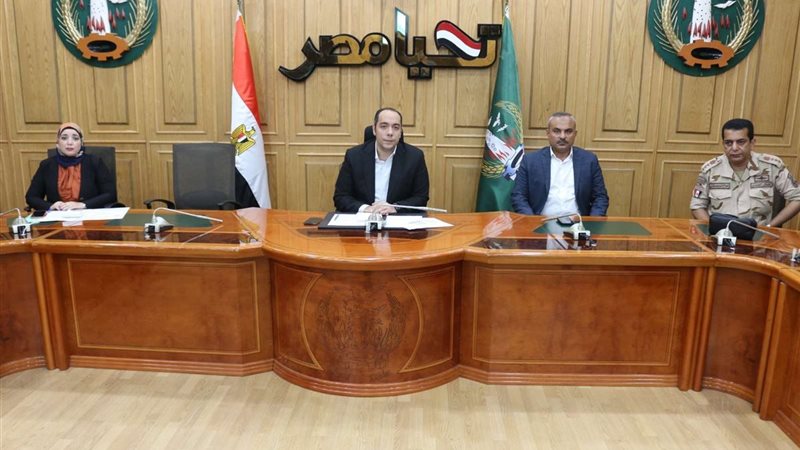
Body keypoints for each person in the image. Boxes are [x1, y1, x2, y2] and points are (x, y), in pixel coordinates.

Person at [690, 118, 800, 227]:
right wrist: (712, 229)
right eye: (728, 143)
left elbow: (797, 197)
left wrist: (770, 227)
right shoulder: (710, 169)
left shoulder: (772, 167)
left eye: (741, 142)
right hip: (720, 235)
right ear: (723, 144)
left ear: (752, 143)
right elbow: (697, 206)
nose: (734, 148)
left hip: (758, 235)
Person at [511, 112, 609, 216]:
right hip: (541, 222)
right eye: (557, 131)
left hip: (579, 223)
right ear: (548, 133)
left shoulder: (589, 160)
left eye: (568, 131)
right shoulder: (530, 161)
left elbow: (600, 197)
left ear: (575, 134)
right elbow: (518, 196)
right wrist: (532, 221)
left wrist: (592, 222)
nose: (562, 136)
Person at [333, 108, 429, 214]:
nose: (390, 132)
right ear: (374, 129)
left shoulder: (415, 157)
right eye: (383, 126)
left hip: (397, 218)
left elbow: (421, 198)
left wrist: (395, 208)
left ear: (400, 132)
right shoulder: (354, 156)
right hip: (363, 218)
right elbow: (341, 197)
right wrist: (366, 208)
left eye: (396, 127)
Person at [25, 122, 116, 211]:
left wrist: (83, 205)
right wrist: (51, 206)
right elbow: (31, 197)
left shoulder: (94, 162)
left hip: (88, 216)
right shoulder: (46, 165)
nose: (69, 142)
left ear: (81, 143)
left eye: (75, 138)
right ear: (57, 143)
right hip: (58, 216)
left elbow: (110, 194)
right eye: (64, 138)